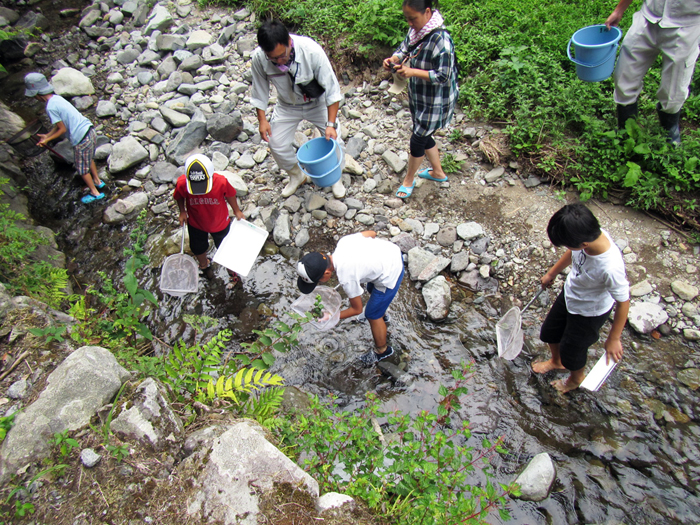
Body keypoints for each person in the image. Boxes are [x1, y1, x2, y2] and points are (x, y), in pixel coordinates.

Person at [532, 203, 630, 393]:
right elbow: (572, 251)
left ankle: (575, 379)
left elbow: (623, 301)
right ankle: (556, 361)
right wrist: (552, 273)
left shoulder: (610, 267)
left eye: (567, 243)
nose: (568, 248)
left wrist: (614, 338)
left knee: (573, 350)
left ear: (584, 244)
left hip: (590, 312)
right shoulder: (586, 236)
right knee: (549, 332)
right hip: (571, 294)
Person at [251, 19, 346, 199]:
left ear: (289, 42)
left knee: (335, 139)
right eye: (273, 58)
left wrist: (330, 124)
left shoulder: (311, 51)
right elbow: (259, 91)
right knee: (275, 143)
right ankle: (296, 175)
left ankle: (336, 177)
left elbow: (333, 92)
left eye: (282, 55)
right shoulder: (259, 58)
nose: (279, 60)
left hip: (317, 103)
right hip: (287, 105)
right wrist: (262, 120)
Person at [383, 0, 458, 199]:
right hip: (420, 96)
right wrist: (395, 59)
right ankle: (438, 173)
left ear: (427, 12)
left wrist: (412, 71)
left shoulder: (441, 40)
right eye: (407, 19)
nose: (410, 23)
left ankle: (408, 180)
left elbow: (444, 75)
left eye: (413, 18)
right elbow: (405, 48)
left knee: (417, 140)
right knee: (423, 134)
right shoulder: (417, 30)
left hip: (436, 101)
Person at [296, 231, 404, 365]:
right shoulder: (344, 242)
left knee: (372, 314)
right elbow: (372, 233)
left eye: (318, 281)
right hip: (391, 251)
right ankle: (382, 314)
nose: (319, 284)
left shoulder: (346, 276)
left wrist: (331, 316)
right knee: (371, 290)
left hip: (392, 270)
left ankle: (382, 351)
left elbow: (357, 309)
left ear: (327, 273)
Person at [606, 0, 700, 144]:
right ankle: (626, 128)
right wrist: (619, 10)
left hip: (686, 26)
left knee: (674, 87)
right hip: (647, 18)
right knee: (625, 72)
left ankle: (669, 128)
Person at [24, 72, 105, 203]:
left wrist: (47, 140)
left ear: (37, 94)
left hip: (81, 139)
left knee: (82, 169)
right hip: (89, 131)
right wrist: (47, 135)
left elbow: (62, 129)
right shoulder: (56, 98)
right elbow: (59, 125)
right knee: (89, 159)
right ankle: (98, 181)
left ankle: (95, 193)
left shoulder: (50, 107)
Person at [173, 154, 245, 286]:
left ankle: (232, 273)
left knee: (225, 249)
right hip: (196, 223)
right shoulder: (182, 184)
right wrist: (182, 211)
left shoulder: (220, 182)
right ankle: (204, 265)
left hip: (220, 223)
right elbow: (178, 196)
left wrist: (236, 211)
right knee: (197, 248)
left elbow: (230, 195)